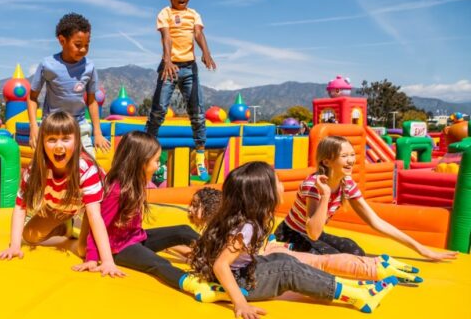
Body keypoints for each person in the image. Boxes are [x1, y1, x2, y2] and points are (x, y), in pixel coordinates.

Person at [190, 162, 398, 318]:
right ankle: (356, 295)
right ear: (263, 194)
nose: (282, 186)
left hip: (241, 273)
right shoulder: (247, 227)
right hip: (240, 282)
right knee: (288, 271)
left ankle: (345, 285)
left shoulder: (242, 218)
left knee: (282, 259)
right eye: (278, 182)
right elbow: (221, 264)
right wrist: (240, 303)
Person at [72, 131, 222, 298]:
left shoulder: (137, 182)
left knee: (183, 230)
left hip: (136, 238)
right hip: (118, 249)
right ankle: (195, 285)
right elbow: (97, 224)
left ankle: (219, 255)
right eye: (156, 161)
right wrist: (93, 258)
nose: (159, 166)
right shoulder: (116, 190)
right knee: (158, 263)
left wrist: (183, 249)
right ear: (141, 162)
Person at [275, 136, 459, 261]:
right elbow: (313, 232)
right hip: (291, 234)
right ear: (326, 161)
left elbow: (375, 221)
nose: (351, 160)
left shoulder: (346, 183)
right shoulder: (313, 185)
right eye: (344, 156)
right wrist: (326, 196)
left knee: (355, 250)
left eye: (352, 155)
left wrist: (421, 249)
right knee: (336, 260)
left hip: (312, 234)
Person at [189, 188, 422, 283]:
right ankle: (378, 267)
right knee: (319, 262)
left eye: (194, 206)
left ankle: (377, 267)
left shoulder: (225, 230)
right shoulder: (230, 226)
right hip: (274, 249)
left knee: (329, 257)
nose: (189, 210)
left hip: (275, 251)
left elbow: (210, 254)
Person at [0, 111, 123, 277]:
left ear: (76, 143)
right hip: (64, 205)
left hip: (96, 208)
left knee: (83, 250)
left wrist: (107, 261)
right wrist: (15, 246)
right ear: (42, 143)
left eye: (66, 139)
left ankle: (78, 226)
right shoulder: (36, 170)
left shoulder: (85, 169)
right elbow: (20, 207)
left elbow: (95, 216)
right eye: (52, 140)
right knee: (30, 236)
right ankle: (66, 226)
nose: (59, 146)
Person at [145, 0, 216, 181]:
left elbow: (198, 34)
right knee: (158, 111)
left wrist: (207, 52)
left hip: (189, 68)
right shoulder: (165, 13)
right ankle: (147, 152)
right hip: (170, 66)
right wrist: (167, 60)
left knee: (197, 112)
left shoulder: (194, 14)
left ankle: (201, 157)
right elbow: (166, 37)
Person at [27, 13, 110, 159]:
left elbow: (91, 101)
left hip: (79, 125)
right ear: (62, 40)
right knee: (46, 167)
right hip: (52, 125)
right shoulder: (48, 65)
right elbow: (32, 97)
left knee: (90, 165)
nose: (83, 49)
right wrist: (34, 127)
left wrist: (97, 132)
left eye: (87, 44)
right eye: (78, 45)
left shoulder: (89, 67)